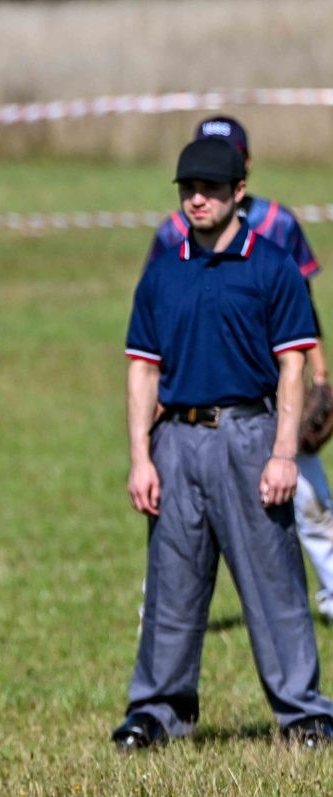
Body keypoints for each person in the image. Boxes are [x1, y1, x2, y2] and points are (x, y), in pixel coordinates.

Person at [115, 137, 333, 750]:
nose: (197, 199)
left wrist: (285, 453)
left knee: (274, 581)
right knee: (172, 585)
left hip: (250, 434)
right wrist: (140, 458)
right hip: (177, 441)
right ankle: (155, 712)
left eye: (210, 188)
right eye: (188, 189)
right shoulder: (162, 272)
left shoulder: (272, 267)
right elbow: (142, 369)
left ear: (240, 192)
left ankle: (304, 712)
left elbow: (293, 366)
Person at [146, 115, 333, 621]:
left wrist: (320, 373)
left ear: (244, 166)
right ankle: (161, 608)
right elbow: (160, 310)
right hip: (195, 395)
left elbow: (303, 307)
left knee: (309, 495)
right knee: (179, 511)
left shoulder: (278, 223)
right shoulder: (173, 230)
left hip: (274, 392)